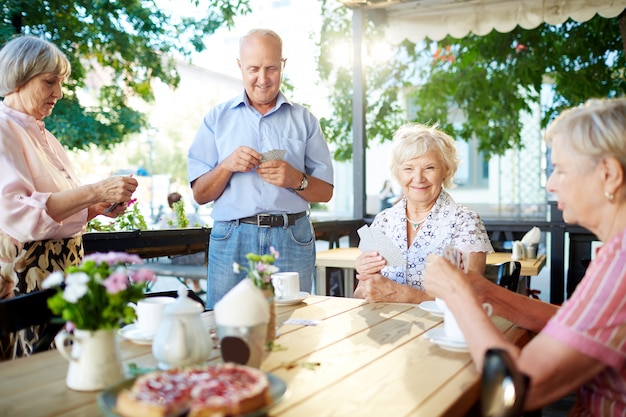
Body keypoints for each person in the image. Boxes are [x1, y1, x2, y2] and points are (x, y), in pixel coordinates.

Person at [424, 98, 626, 415]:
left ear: (609, 175)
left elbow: (512, 391)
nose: (551, 185)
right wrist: (483, 289)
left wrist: (455, 293)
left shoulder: (621, 265)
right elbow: (570, 323)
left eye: (560, 170)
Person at [0, 35, 138, 359]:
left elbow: (54, 216)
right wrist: (96, 190)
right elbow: (19, 216)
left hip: (61, 272)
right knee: (36, 381)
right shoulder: (4, 128)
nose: (59, 94)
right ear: (19, 77)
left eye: (60, 83)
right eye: (50, 82)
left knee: (67, 369)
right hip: (28, 277)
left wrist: (94, 208)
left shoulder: (44, 136)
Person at [187, 28, 334, 309]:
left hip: (292, 237)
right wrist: (226, 166)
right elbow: (200, 195)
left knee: (293, 328)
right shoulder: (216, 119)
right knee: (226, 327)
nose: (263, 79)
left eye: (271, 69)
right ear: (240, 66)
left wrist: (297, 179)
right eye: (254, 68)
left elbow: (325, 192)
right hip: (232, 237)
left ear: (283, 65)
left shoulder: (305, 120)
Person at [354, 123, 493, 303]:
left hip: (441, 327)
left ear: (446, 170)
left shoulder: (465, 222)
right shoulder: (384, 221)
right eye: (408, 168)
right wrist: (364, 274)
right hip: (387, 328)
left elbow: (469, 296)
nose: (418, 178)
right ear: (398, 173)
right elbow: (359, 294)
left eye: (429, 168)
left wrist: (404, 295)